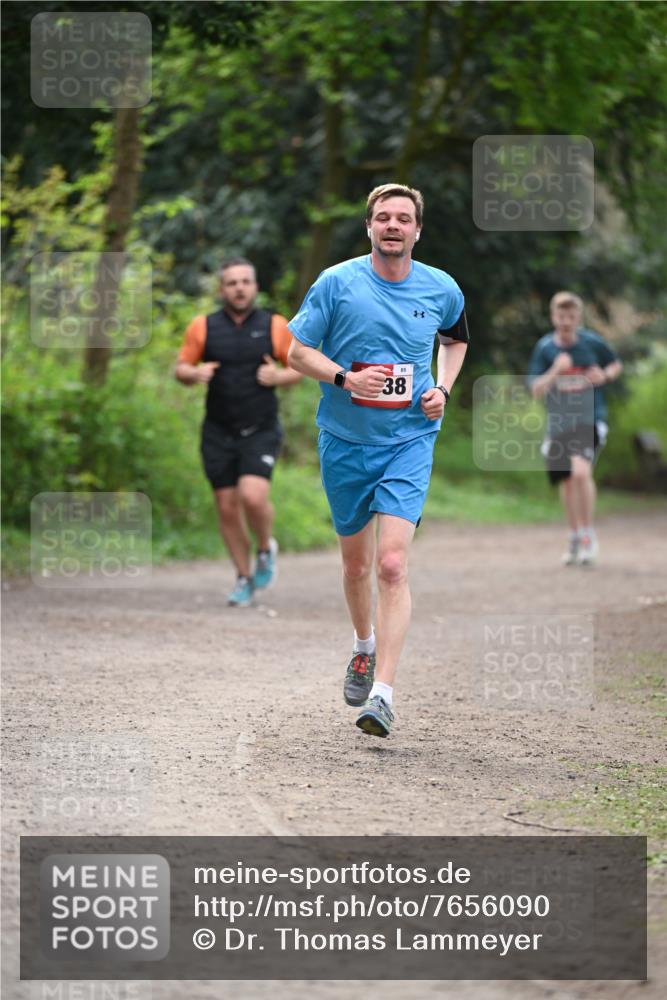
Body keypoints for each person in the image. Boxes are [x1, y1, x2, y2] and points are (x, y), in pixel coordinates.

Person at [287, 183, 469, 738]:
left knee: (391, 565)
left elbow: (456, 339)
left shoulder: (442, 287)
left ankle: (383, 697)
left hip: (410, 440)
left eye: (403, 218)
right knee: (356, 567)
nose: (393, 225)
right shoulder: (337, 284)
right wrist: (344, 377)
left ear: (418, 230)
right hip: (344, 441)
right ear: (369, 227)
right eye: (383, 218)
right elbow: (297, 352)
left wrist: (443, 387)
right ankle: (363, 646)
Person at [175, 257, 302, 606]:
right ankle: (244, 578)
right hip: (217, 429)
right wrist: (193, 374)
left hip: (260, 427)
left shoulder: (274, 325)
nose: (240, 288)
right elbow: (181, 367)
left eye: (246, 281)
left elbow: (302, 367)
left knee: (252, 496)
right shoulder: (203, 327)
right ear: (222, 289)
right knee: (226, 506)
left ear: (255, 287)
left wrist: (279, 376)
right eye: (232, 283)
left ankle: (264, 548)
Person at [528, 291, 622, 567]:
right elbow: (535, 389)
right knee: (567, 480)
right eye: (561, 316)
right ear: (552, 316)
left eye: (571, 316)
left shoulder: (591, 343)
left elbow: (615, 364)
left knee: (581, 472)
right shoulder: (545, 348)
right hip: (559, 422)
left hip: (589, 418)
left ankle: (588, 535)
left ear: (578, 317)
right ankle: (574, 534)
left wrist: (604, 375)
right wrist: (556, 370)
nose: (566, 321)